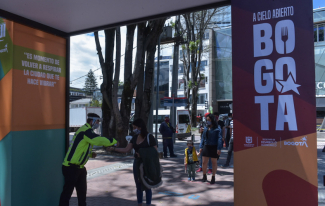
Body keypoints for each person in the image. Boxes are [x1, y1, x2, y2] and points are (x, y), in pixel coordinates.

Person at [59, 113, 117, 206]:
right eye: (97, 121)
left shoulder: (87, 131)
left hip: (80, 168)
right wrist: (113, 141)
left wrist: (90, 154)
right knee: (67, 195)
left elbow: (80, 147)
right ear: (92, 121)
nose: (98, 123)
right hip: (70, 167)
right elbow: (97, 140)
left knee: (82, 196)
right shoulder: (85, 131)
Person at [108, 118, 158, 206]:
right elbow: (126, 149)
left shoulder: (149, 137)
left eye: (135, 127)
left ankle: (148, 204)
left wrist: (142, 153)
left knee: (147, 185)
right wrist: (113, 149)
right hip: (137, 164)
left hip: (147, 164)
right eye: (133, 127)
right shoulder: (134, 138)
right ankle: (139, 204)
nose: (134, 129)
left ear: (140, 127)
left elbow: (155, 150)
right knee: (138, 185)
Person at [198, 114, 222, 184]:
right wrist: (201, 146)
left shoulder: (217, 127)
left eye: (209, 120)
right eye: (207, 120)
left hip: (214, 146)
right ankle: (204, 176)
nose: (208, 121)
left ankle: (213, 177)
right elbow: (203, 138)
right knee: (204, 162)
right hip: (206, 146)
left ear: (212, 120)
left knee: (214, 162)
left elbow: (219, 138)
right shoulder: (205, 127)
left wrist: (219, 148)